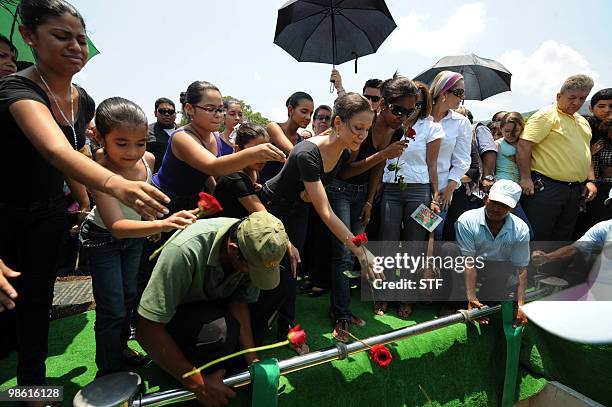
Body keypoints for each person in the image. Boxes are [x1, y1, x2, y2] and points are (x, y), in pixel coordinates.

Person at [0, 0, 169, 394]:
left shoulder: (84, 100)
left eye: (81, 38)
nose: (75, 47)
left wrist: (89, 204)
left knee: (36, 302)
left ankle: (31, 386)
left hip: (49, 214)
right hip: (3, 213)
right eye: (61, 36)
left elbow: (74, 157)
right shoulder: (15, 88)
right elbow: (55, 150)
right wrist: (115, 185)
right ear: (29, 37)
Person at [80, 97, 198, 377]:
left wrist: (151, 219)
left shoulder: (148, 160)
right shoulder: (98, 169)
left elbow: (143, 200)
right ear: (100, 137)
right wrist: (163, 224)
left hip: (134, 240)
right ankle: (108, 372)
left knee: (130, 296)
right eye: (121, 143)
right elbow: (116, 224)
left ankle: (120, 348)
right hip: (102, 240)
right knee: (112, 308)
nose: (133, 152)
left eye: (141, 142)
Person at [257, 93, 380, 341]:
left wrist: (306, 196)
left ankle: (286, 329)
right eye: (357, 128)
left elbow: (313, 195)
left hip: (299, 210)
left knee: (292, 268)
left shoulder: (345, 152)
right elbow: (325, 211)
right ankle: (256, 331)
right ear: (337, 123)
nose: (362, 135)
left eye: (367, 129)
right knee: (267, 271)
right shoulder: (307, 153)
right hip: (272, 208)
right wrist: (361, 251)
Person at [137, 212, 289, 407]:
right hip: (175, 315)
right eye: (252, 270)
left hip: (213, 303)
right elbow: (147, 329)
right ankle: (184, 366)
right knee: (220, 333)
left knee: (281, 284)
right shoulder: (184, 250)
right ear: (233, 250)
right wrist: (197, 384)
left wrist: (252, 359)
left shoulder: (252, 245)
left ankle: (227, 362)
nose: (253, 276)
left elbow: (239, 303)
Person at [375, 80, 442, 320]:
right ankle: (383, 294)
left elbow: (433, 164)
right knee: (387, 243)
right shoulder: (392, 124)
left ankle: (407, 298)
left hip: (419, 190)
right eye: (405, 105)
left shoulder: (431, 127)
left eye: (416, 105)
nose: (410, 109)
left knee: (415, 245)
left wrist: (435, 196)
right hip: (391, 190)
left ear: (422, 105)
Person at [517, 75, 596, 266]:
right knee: (540, 234)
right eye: (572, 97)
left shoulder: (582, 121)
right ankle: (528, 280)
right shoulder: (547, 115)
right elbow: (524, 145)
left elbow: (586, 152)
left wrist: (590, 180)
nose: (577, 103)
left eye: (582, 99)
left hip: (574, 189)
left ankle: (549, 279)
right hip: (546, 186)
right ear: (559, 95)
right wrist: (526, 178)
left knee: (563, 235)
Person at [452, 180, 530, 327]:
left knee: (507, 277)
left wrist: (521, 306)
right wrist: (471, 296)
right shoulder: (467, 220)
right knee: (449, 252)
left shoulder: (521, 228)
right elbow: (468, 262)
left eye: (504, 205)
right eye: (494, 202)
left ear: (513, 208)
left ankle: (485, 305)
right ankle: (455, 304)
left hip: (498, 268)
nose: (497, 208)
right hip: (470, 265)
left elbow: (521, 268)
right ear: (486, 198)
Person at [429, 71, 472, 240]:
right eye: (459, 92)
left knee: (433, 233)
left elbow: (462, 159)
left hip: (440, 191)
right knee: (412, 236)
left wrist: (450, 187)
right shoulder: (420, 117)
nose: (462, 97)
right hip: (414, 187)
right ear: (443, 92)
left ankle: (431, 267)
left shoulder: (461, 122)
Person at [259, 91, 314, 184]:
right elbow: (294, 153)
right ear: (290, 110)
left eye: (311, 113)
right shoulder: (273, 127)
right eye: (304, 112)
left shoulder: (300, 140)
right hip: (262, 187)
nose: (308, 117)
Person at [147, 97, 177, 173]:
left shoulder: (185, 132)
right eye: (162, 111)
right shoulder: (145, 132)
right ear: (155, 113)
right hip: (156, 181)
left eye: (170, 111)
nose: (167, 114)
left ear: (175, 114)